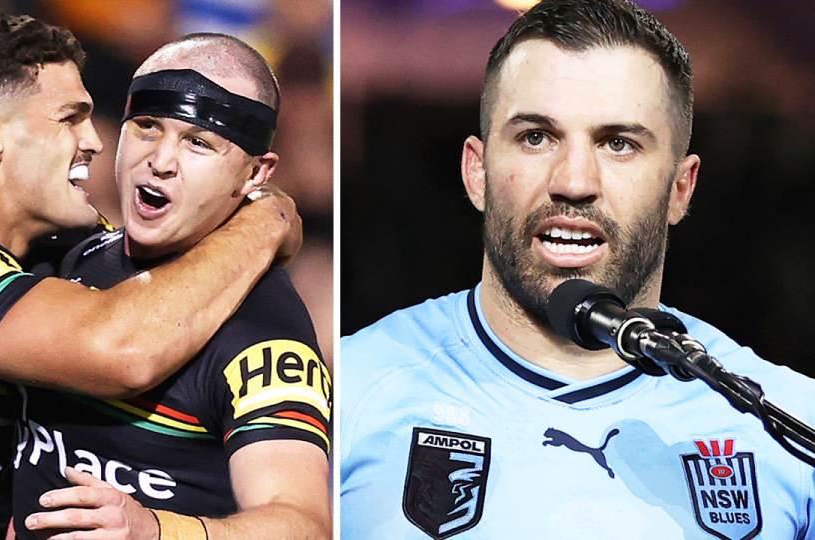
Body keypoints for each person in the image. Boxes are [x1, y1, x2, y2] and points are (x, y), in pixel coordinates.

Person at [339, 1, 815, 539]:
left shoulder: (786, 424)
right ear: (477, 172)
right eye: (536, 137)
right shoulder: (353, 392)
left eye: (618, 144)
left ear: (680, 189)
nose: (573, 181)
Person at [0, 14, 301, 540]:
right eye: (70, 118)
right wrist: (266, 219)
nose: (93, 140)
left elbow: (302, 521)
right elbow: (123, 347)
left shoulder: (61, 251)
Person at [10, 34, 332, 540]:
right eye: (147, 127)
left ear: (254, 174)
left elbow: (302, 524)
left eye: (199, 142)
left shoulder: (265, 335)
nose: (160, 160)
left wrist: (155, 530)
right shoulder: (74, 253)